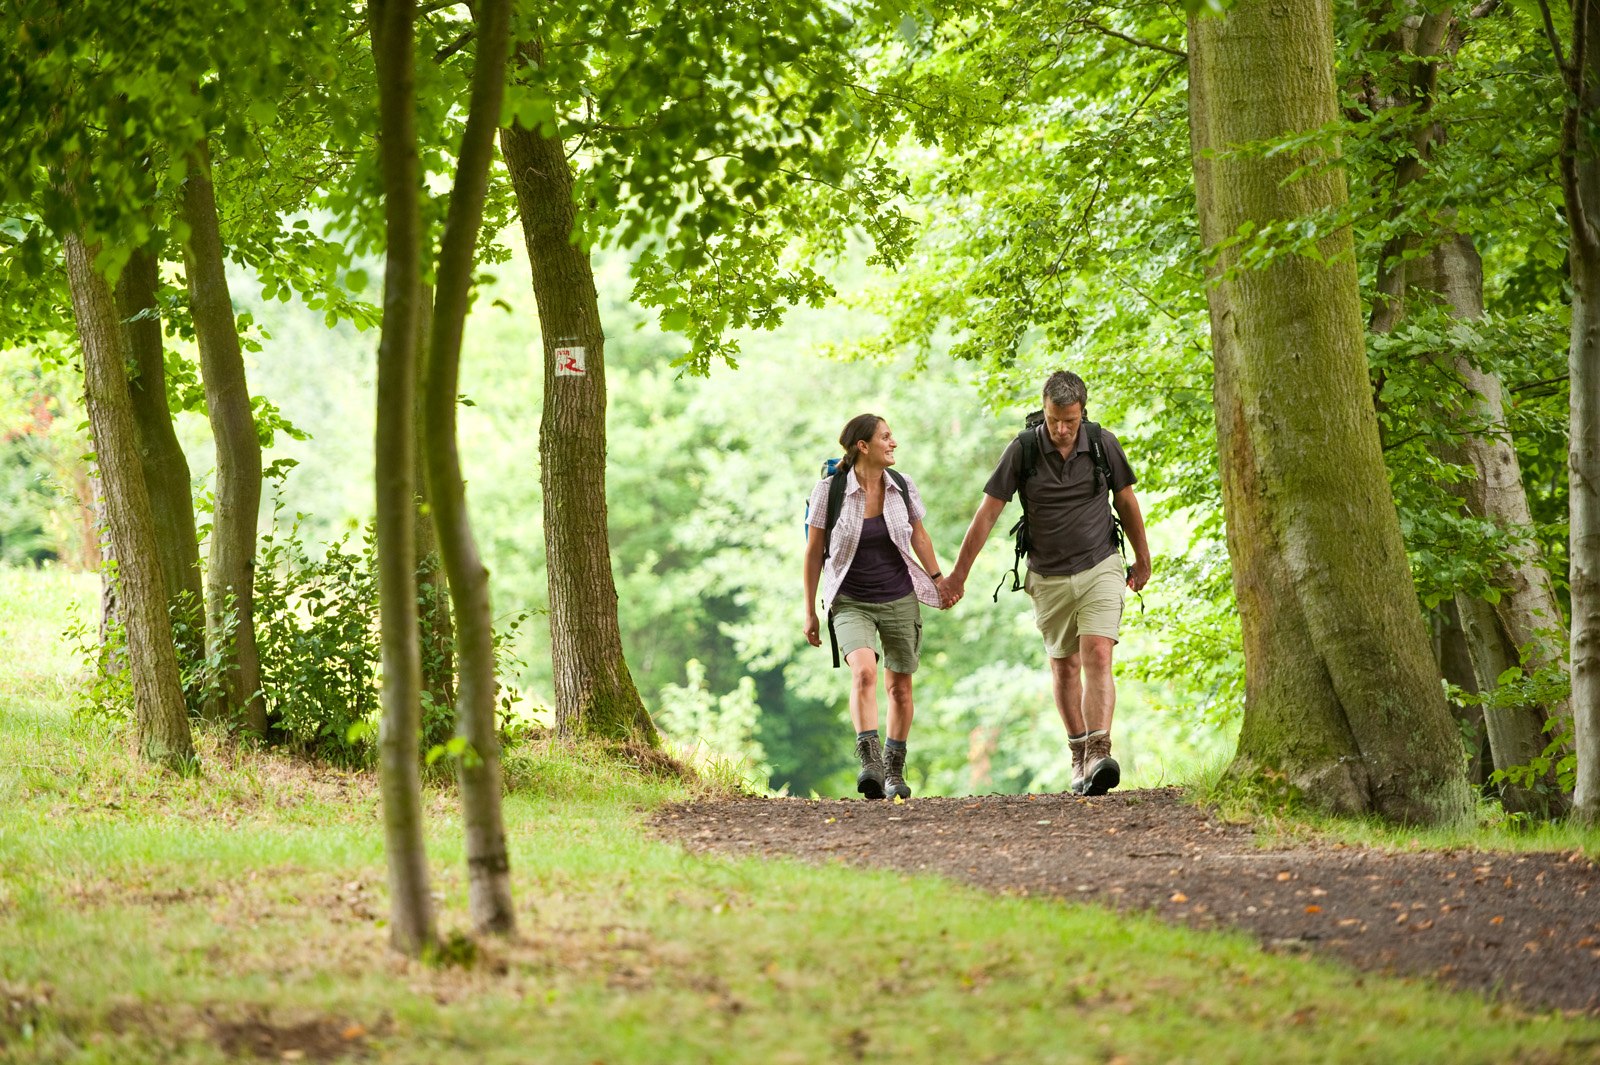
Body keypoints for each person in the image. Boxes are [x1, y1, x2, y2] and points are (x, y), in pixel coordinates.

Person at [938, 372, 1151, 796]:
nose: (1061, 429)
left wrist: (1143, 558)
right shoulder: (1024, 449)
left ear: (1082, 412)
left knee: (1097, 652)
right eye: (1054, 419)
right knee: (1064, 665)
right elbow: (987, 513)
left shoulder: (1103, 444)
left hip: (1100, 565)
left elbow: (1126, 500)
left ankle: (1099, 750)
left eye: (1069, 420)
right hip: (1047, 575)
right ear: (1044, 409)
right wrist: (958, 576)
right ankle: (1078, 751)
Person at [803, 414, 947, 800]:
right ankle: (870, 764)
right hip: (850, 600)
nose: (893, 442)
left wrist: (938, 580)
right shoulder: (829, 490)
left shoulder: (901, 485)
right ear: (863, 446)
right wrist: (809, 611)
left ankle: (895, 769)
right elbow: (814, 552)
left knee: (900, 687)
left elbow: (919, 535)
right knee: (864, 671)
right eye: (886, 437)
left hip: (899, 596)